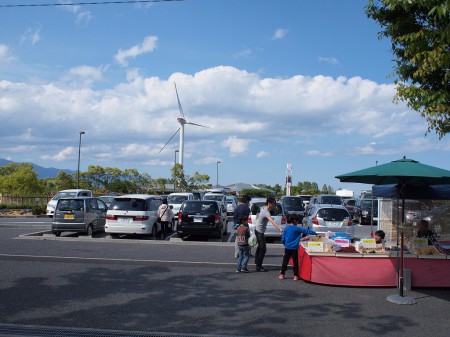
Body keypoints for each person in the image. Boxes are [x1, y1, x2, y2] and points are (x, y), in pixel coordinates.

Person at [279, 214, 318, 280]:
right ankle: (295, 276)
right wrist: (316, 233)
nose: (298, 222)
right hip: (294, 248)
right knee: (295, 262)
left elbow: (283, 239)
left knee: (285, 261)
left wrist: (285, 244)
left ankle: (282, 274)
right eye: (297, 221)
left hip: (287, 248)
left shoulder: (286, 228)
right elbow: (306, 231)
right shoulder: (297, 228)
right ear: (294, 221)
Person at [254, 197, 283, 272]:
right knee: (263, 249)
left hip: (258, 230)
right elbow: (272, 222)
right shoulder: (266, 212)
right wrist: (279, 228)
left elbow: (261, 217)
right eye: (273, 204)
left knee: (260, 247)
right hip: (259, 231)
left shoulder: (264, 208)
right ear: (269, 204)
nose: (274, 206)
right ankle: (258, 266)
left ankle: (257, 261)